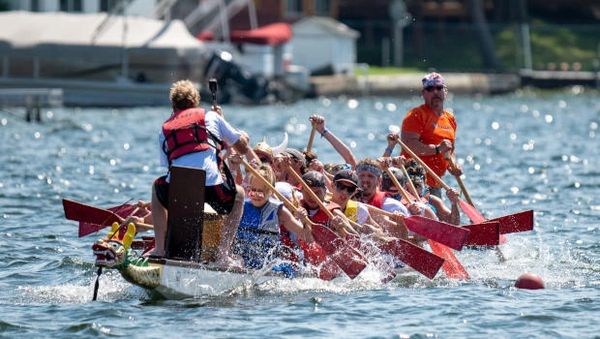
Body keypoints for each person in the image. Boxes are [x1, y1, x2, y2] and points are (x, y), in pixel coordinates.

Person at [150, 80, 252, 267]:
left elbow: (168, 167)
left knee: (157, 188)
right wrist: (240, 133)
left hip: (180, 190)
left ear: (173, 105)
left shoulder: (164, 129)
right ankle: (223, 255)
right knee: (239, 195)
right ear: (196, 102)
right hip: (212, 187)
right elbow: (243, 148)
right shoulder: (211, 116)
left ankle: (160, 249)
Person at [233, 164, 312, 272]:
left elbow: (307, 237)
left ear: (270, 191)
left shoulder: (279, 211)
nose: (255, 195)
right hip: (241, 262)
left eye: (260, 192)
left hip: (268, 267)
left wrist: (304, 221)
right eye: (252, 190)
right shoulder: (241, 206)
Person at [400, 72, 462, 197]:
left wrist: (453, 165)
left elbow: (449, 150)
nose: (435, 92)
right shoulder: (416, 115)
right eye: (430, 89)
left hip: (435, 182)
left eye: (439, 88)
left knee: (441, 215)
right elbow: (409, 146)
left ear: (445, 91)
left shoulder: (450, 119)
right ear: (423, 93)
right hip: (412, 181)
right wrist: (438, 149)